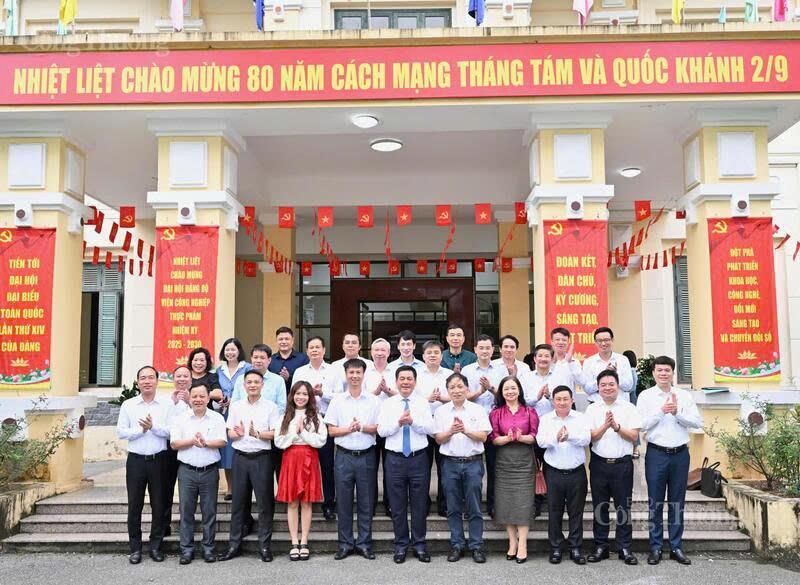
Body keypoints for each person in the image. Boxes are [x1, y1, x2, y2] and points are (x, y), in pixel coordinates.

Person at [637, 355, 703, 566]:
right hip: (656, 454)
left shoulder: (684, 396)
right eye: (659, 370)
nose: (663, 373)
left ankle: (676, 546)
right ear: (653, 373)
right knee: (655, 503)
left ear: (672, 373)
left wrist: (677, 413)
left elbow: (696, 422)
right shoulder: (646, 396)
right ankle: (655, 547)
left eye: (667, 370)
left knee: (677, 502)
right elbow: (641, 424)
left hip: (680, 454)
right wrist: (661, 411)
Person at [219, 370, 281, 563]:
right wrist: (236, 434)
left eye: (256, 382)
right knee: (238, 503)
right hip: (240, 458)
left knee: (265, 503)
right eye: (249, 382)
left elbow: (275, 434)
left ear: (262, 385)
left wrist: (258, 434)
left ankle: (264, 545)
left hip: (262, 457)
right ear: (244, 385)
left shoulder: (271, 407)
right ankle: (234, 545)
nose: (253, 385)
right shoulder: (236, 407)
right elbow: (230, 432)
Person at [377, 365, 435, 564]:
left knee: (419, 504)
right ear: (396, 381)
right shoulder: (388, 404)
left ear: (415, 381)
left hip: (419, 458)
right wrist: (398, 423)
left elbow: (430, 428)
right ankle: (401, 545)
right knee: (397, 505)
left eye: (409, 379)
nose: (405, 382)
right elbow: (382, 431)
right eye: (402, 379)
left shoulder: (422, 403)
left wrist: (413, 422)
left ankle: (420, 545)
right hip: (395, 459)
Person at [324, 358, 380, 560]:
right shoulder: (338, 400)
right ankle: (345, 544)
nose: (355, 376)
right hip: (344, 457)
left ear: (364, 375)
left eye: (358, 372)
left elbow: (379, 428)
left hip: (366, 456)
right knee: (344, 503)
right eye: (351, 372)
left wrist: (363, 427)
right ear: (346, 375)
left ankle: (365, 543)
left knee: (366, 502)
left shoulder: (373, 400)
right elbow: (330, 430)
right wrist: (349, 429)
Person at [585, 370, 642, 565]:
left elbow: (634, 437)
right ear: (598, 388)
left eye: (611, 384)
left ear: (618, 386)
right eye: (603, 385)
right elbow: (590, 437)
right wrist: (605, 426)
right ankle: (601, 546)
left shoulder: (629, 408)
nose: (608, 388)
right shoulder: (592, 409)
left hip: (622, 466)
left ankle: (624, 547)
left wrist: (617, 427)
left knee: (623, 507)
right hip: (599, 464)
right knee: (599, 507)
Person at [116, 365, 171, 564]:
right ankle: (135, 548)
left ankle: (155, 547)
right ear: (138, 382)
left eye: (150, 377)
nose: (147, 381)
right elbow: (121, 432)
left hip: (159, 461)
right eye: (143, 378)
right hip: (136, 461)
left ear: (157, 381)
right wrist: (140, 430)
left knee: (159, 505)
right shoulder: (129, 405)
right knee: (135, 506)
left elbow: (171, 431)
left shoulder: (166, 404)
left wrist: (153, 428)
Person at [434, 372, 492, 564]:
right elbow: (438, 439)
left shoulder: (477, 410)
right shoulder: (442, 412)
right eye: (452, 387)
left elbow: (484, 437)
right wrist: (451, 431)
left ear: (467, 389)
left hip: (473, 463)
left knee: (474, 506)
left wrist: (465, 430)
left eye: (460, 386)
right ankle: (457, 544)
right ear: (447, 391)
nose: (457, 390)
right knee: (453, 507)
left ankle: (476, 546)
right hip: (450, 463)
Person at [169, 383, 227, 565]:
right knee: (186, 512)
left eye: (202, 396)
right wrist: (193, 441)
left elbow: (222, 441)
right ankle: (186, 550)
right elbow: (174, 443)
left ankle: (208, 549)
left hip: (209, 471)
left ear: (208, 398)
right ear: (189, 398)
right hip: (187, 471)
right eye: (194, 396)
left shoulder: (216, 418)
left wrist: (205, 443)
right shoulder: (180, 418)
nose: (198, 399)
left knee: (209, 512)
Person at [537, 385, 591, 565]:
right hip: (553, 472)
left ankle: (575, 547)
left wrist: (569, 437)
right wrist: (556, 438)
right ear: (553, 401)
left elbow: (586, 439)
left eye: (565, 399)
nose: (562, 402)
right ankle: (556, 548)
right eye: (558, 399)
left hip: (576, 472)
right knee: (554, 512)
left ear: (572, 401)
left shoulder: (580, 418)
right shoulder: (546, 419)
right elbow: (541, 441)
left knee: (576, 512)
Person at [274, 381, 328, 561]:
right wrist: (294, 434)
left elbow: (321, 441)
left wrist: (302, 433)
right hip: (290, 459)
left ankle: (304, 541)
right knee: (292, 503)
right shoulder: (284, 416)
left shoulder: (316, 416)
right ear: (292, 395)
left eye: (305, 394)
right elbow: (279, 442)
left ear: (310, 396)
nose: (301, 397)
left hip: (309, 457)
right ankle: (294, 542)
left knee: (306, 502)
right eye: (298, 393)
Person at [489, 375, 539, 564]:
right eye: (506, 389)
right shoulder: (496, 413)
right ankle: (512, 542)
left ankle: (523, 544)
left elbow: (534, 436)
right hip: (504, 461)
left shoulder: (529, 411)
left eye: (513, 388)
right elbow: (493, 438)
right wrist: (508, 438)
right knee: (506, 502)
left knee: (523, 502)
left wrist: (521, 437)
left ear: (519, 390)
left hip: (524, 460)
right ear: (502, 392)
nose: (510, 391)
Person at [292, 336, 337, 520]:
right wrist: (310, 395)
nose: (315, 350)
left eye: (318, 347)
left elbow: (341, 397)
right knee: (305, 465)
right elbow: (294, 395)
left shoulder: (334, 371)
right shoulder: (300, 371)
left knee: (327, 465)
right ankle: (303, 501)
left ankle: (329, 504)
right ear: (307, 351)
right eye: (311, 347)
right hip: (304, 421)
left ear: (324, 350)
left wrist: (322, 394)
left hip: (326, 420)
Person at [462, 334, 503, 518]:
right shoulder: (468, 370)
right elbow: (461, 396)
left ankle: (494, 505)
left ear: (492, 350)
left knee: (495, 467)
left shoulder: (501, 370)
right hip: (473, 424)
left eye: (488, 348)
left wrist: (492, 389)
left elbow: (506, 396)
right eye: (481, 348)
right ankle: (472, 505)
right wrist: (480, 391)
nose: (485, 351)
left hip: (495, 423)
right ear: (475, 350)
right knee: (472, 469)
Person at [416, 340, 453, 517]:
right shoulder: (416, 374)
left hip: (444, 425)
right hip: (422, 425)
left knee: (444, 465)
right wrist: (427, 399)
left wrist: (442, 399)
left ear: (441, 355)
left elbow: (456, 397)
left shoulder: (449, 374)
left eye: (436, 352)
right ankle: (422, 503)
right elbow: (412, 400)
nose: (432, 355)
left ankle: (444, 503)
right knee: (422, 467)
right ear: (423, 356)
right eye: (429, 352)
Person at [362, 338, 398, 517]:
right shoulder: (365, 372)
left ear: (389, 353)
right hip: (370, 425)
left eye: (383, 350)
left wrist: (388, 391)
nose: (380, 353)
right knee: (370, 468)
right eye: (376, 350)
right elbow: (358, 396)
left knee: (390, 468)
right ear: (371, 352)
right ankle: (371, 504)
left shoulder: (395, 371)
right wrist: (375, 393)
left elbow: (405, 393)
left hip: (391, 425)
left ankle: (390, 504)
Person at [215, 338, 250, 500]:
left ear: (239, 351)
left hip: (241, 414)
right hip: (223, 414)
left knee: (239, 450)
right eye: (227, 349)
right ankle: (230, 488)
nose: (230, 352)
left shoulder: (247, 368)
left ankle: (243, 487)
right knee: (227, 452)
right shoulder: (219, 371)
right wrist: (220, 400)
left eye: (233, 349)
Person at [162, 365, 192, 537]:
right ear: (173, 379)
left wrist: (189, 400)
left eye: (185, 376)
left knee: (188, 489)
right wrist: (173, 403)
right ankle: (164, 524)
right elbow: (163, 424)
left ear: (191, 378)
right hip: (169, 449)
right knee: (166, 488)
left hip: (190, 448)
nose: (181, 379)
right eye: (178, 376)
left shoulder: (196, 396)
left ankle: (188, 524)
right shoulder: (165, 400)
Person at [581, 327, 634, 403]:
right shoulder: (589, 362)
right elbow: (587, 389)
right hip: (597, 405)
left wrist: (615, 375)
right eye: (599, 341)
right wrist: (603, 376)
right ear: (595, 342)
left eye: (606, 340)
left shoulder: (623, 360)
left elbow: (629, 386)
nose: (603, 343)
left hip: (620, 404)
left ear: (612, 340)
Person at [268, 326, 309, 392]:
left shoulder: (303, 359)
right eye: (280, 339)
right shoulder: (270, 360)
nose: (283, 342)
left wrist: (289, 378)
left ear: (292, 340)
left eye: (287, 339)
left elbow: (306, 382)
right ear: (276, 341)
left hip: (296, 398)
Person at [550, 327, 584, 392]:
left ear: (568, 342)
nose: (560, 342)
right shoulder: (546, 360)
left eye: (564, 340)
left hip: (568, 400)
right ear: (552, 342)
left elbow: (580, 382)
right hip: (549, 400)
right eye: (557, 339)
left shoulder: (574, 362)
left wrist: (570, 362)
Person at [622, 349, 641, 458]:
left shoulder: (631, 371)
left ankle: (635, 448)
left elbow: (631, 387)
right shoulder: (633, 370)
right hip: (631, 398)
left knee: (633, 424)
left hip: (631, 398)